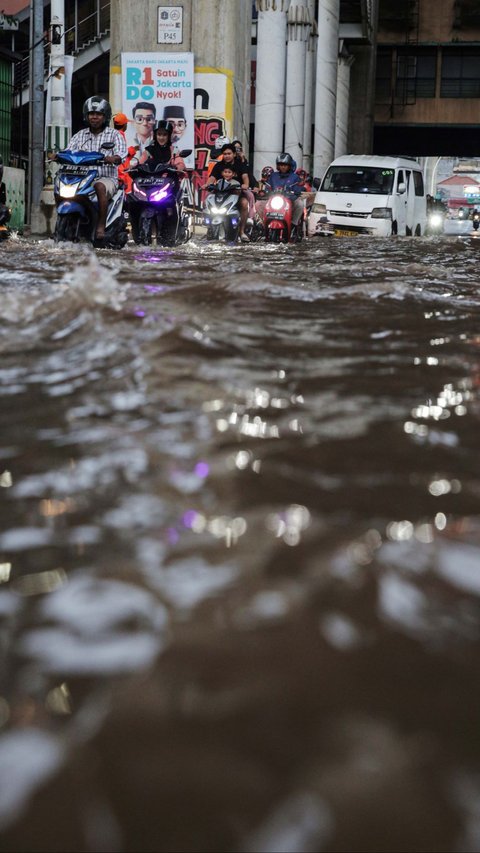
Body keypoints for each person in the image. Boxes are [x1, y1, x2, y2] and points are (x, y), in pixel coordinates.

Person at [49, 96, 127, 242]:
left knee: (99, 186)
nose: (95, 117)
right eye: (92, 114)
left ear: (105, 116)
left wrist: (114, 158)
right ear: (87, 115)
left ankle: (101, 225)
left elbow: (121, 154)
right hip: (82, 177)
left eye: (98, 114)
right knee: (59, 182)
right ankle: (59, 225)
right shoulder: (80, 135)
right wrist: (57, 155)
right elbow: (68, 150)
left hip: (106, 178)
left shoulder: (114, 135)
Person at [205, 143, 250, 241]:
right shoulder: (218, 165)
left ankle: (242, 231)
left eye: (229, 153)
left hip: (236, 193)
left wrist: (245, 185)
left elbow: (245, 177)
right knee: (208, 199)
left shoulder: (240, 164)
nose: (227, 156)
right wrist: (207, 185)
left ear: (234, 154)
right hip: (220, 194)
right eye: (225, 154)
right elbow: (212, 178)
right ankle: (209, 228)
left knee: (244, 203)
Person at [256, 152, 304, 240]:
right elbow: (268, 186)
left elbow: (298, 188)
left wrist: (296, 192)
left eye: (285, 165)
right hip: (274, 201)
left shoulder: (295, 177)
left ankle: (294, 224)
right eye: (281, 165)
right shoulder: (273, 176)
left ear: (289, 166)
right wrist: (264, 192)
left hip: (290, 200)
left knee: (300, 204)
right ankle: (265, 223)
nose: (283, 167)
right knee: (258, 204)